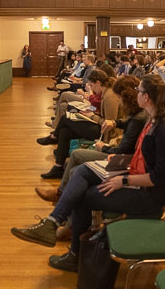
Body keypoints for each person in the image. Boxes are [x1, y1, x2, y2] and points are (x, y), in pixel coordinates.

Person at [11, 74, 165, 272]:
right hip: (138, 179)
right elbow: (144, 158)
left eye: (140, 91)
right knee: (83, 171)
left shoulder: (163, 129)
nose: (137, 93)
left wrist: (123, 180)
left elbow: (158, 177)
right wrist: (122, 163)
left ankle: (74, 255)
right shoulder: (154, 120)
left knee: (83, 196)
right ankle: (53, 223)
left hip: (150, 195)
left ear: (148, 98)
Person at [35, 75, 145, 204]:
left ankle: (61, 192)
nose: (119, 101)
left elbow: (120, 144)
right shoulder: (137, 114)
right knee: (65, 131)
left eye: (120, 98)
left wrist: (102, 145)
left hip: (110, 143)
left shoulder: (111, 98)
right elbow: (122, 121)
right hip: (110, 140)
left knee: (72, 141)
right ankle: (58, 168)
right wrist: (114, 122)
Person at [37, 71, 122, 179]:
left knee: (65, 118)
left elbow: (110, 124)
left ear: (98, 82)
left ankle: (54, 136)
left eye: (91, 85)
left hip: (104, 134)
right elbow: (101, 113)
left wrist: (92, 116)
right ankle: (58, 167)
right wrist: (91, 113)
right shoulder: (105, 93)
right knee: (64, 132)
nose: (91, 88)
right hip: (98, 126)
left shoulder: (110, 96)